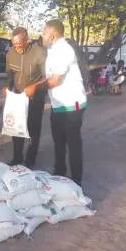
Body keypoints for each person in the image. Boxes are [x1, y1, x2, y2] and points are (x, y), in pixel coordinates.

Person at [36, 19, 87, 187]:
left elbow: (55, 80)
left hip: (72, 104)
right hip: (58, 105)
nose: (41, 35)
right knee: (58, 140)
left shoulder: (64, 49)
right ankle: (59, 172)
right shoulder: (53, 50)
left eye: (43, 32)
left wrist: (33, 88)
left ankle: (76, 181)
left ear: (52, 33)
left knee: (72, 142)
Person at [2, 27, 47, 168]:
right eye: (14, 45)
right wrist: (7, 87)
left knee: (33, 129)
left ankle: (30, 158)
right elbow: (10, 74)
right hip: (17, 96)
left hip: (35, 97)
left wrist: (35, 87)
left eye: (20, 45)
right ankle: (17, 157)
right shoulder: (10, 54)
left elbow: (47, 78)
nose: (17, 48)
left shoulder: (39, 53)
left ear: (27, 40)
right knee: (17, 127)